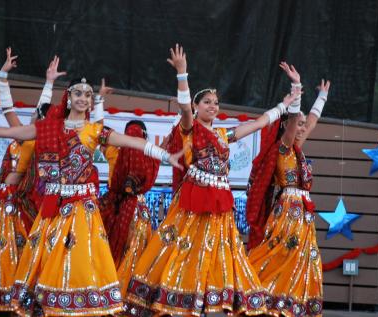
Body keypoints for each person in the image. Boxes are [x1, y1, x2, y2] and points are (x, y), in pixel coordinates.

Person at [0, 76, 183, 316]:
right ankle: (50, 307)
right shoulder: (48, 128)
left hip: (81, 211)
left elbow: (133, 142)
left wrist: (166, 156)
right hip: (53, 210)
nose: (83, 98)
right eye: (78, 93)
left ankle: (75, 308)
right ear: (68, 98)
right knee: (46, 262)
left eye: (88, 95)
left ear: (91, 103)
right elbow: (11, 130)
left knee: (79, 262)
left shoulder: (95, 130)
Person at [123, 44, 298, 316]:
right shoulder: (191, 129)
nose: (213, 106)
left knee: (218, 252)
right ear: (196, 106)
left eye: (216, 103)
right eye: (207, 102)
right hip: (194, 201)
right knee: (182, 249)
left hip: (219, 203)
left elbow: (260, 123)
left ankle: (210, 300)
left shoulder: (223, 136)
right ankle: (176, 298)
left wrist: (285, 104)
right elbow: (183, 108)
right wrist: (182, 73)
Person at [0, 48, 60, 315]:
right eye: (37, 116)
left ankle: (17, 299)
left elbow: (42, 113)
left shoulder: (38, 141)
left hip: (23, 202)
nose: (36, 118)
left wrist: (49, 85)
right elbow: (8, 107)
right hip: (5, 200)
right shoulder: (23, 131)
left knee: (19, 251)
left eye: (41, 118)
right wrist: (2, 76)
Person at [246, 62, 330, 317]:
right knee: (281, 254)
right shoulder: (283, 147)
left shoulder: (297, 147)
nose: (302, 127)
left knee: (305, 258)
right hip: (288, 212)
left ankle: (289, 304)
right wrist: (297, 86)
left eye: (303, 124)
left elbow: (312, 122)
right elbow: (295, 120)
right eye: (298, 123)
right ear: (286, 126)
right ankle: (259, 296)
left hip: (304, 213)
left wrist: (322, 96)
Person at [99, 119, 160, 297]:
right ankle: (133, 293)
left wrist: (100, 100)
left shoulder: (113, 151)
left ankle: (111, 290)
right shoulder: (151, 156)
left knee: (112, 249)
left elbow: (97, 132)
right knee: (138, 251)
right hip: (139, 210)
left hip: (115, 208)